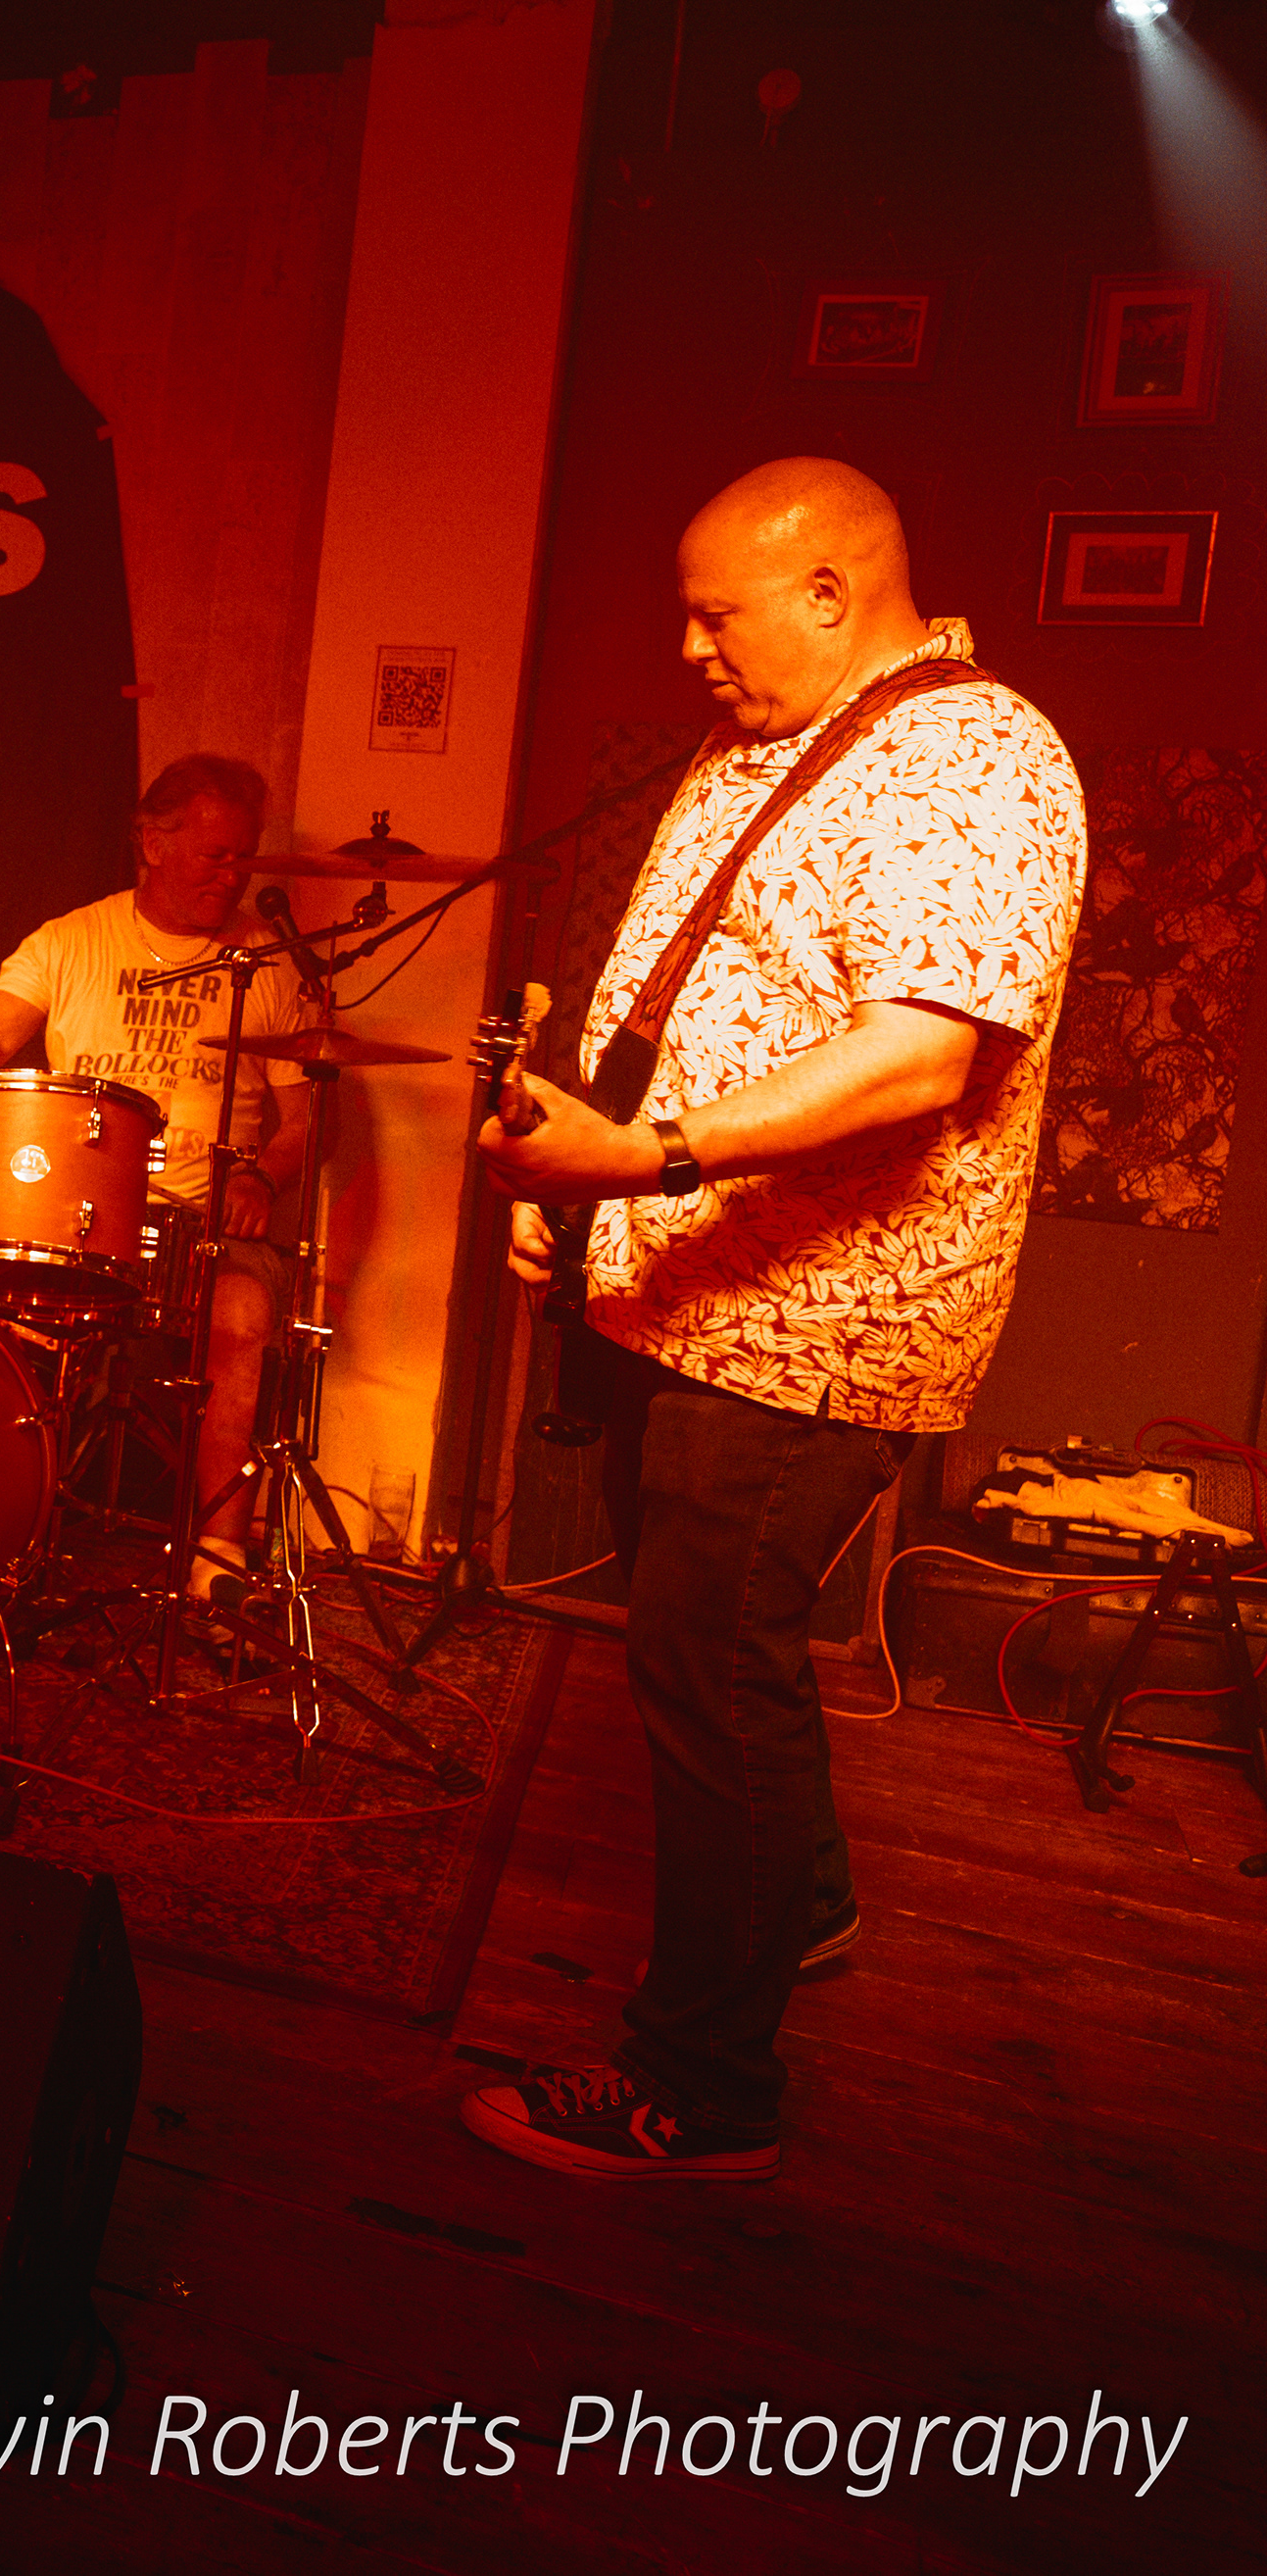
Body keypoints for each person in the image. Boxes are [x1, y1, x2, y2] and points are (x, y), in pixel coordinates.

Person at [463, 458, 1084, 2182]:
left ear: (829, 590)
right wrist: (580, 1188)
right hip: (695, 1297)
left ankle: (703, 2085)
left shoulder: (973, 755)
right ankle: (795, 1904)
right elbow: (696, 1004)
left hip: (815, 1324)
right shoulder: (771, 745)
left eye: (714, 612)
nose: (689, 646)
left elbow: (921, 1052)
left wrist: (643, 1159)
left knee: (708, 1667)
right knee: (715, 1655)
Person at [0, 755, 326, 1588]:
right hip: (74, 1212)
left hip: (206, 1224)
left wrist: (261, 1181)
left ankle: (219, 1555)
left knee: (243, 1313)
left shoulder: (269, 963)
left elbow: (308, 1123)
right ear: (152, 842)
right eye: (215, 856)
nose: (233, 875)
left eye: (243, 857)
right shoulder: (69, 941)